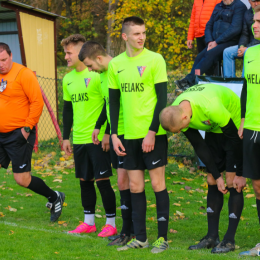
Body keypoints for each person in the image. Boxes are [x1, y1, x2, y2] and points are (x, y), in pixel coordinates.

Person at [160, 84, 246, 253]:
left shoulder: (211, 107)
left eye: (180, 129)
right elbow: (200, 146)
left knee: (231, 181)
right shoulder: (178, 109)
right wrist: (216, 175)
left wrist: (240, 173)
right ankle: (212, 237)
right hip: (214, 127)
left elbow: (235, 140)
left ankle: (229, 240)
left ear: (185, 118)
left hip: (233, 125)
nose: (180, 132)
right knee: (211, 179)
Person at [108, 16, 169, 254]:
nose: (141, 37)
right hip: (128, 136)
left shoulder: (155, 59)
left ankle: (162, 238)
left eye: (143, 32)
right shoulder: (116, 64)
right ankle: (141, 238)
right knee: (134, 187)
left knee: (157, 184)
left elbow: (162, 100)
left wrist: (152, 132)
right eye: (136, 33)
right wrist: (114, 134)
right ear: (125, 36)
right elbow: (114, 103)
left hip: (152, 134)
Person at [0, 42, 65, 222]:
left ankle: (54, 196)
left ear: (11, 56)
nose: (1, 64)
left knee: (22, 179)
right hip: (0, 134)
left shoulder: (23, 74)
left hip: (19, 134)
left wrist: (27, 129)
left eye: (4, 60)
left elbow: (37, 102)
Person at [78, 40, 134, 246]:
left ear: (99, 58)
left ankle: (132, 230)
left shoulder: (118, 68)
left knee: (130, 182)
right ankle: (127, 230)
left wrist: (110, 132)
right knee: (122, 183)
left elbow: (121, 103)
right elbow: (109, 104)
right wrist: (99, 125)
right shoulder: (102, 75)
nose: (90, 70)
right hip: (115, 134)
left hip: (127, 133)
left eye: (90, 65)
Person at [61, 34, 117, 237]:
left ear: (80, 51)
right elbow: (67, 110)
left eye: (69, 52)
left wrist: (107, 132)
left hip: (98, 139)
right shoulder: (67, 79)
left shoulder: (97, 74)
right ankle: (89, 222)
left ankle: (111, 223)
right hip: (79, 139)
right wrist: (66, 136)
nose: (66, 57)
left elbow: (110, 105)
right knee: (85, 181)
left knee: (103, 181)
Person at [175, 0, 247, 90]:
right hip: (215, 42)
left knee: (210, 54)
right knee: (199, 57)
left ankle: (189, 81)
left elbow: (235, 28)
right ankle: (192, 80)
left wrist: (216, 42)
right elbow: (209, 25)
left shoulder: (239, 6)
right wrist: (209, 41)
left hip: (231, 41)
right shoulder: (218, 6)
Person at [238, 5, 260, 256]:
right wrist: (243, 119)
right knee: (257, 187)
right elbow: (245, 87)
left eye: (259, 21)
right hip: (253, 128)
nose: (254, 25)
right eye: (254, 21)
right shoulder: (251, 53)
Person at [223, 0, 260, 78]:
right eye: (254, 1)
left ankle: (244, 83)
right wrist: (242, 46)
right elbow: (244, 34)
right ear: (249, 1)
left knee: (247, 52)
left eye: (258, 1)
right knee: (227, 52)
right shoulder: (247, 13)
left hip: (255, 45)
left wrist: (247, 48)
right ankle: (230, 83)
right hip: (248, 45)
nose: (256, 3)